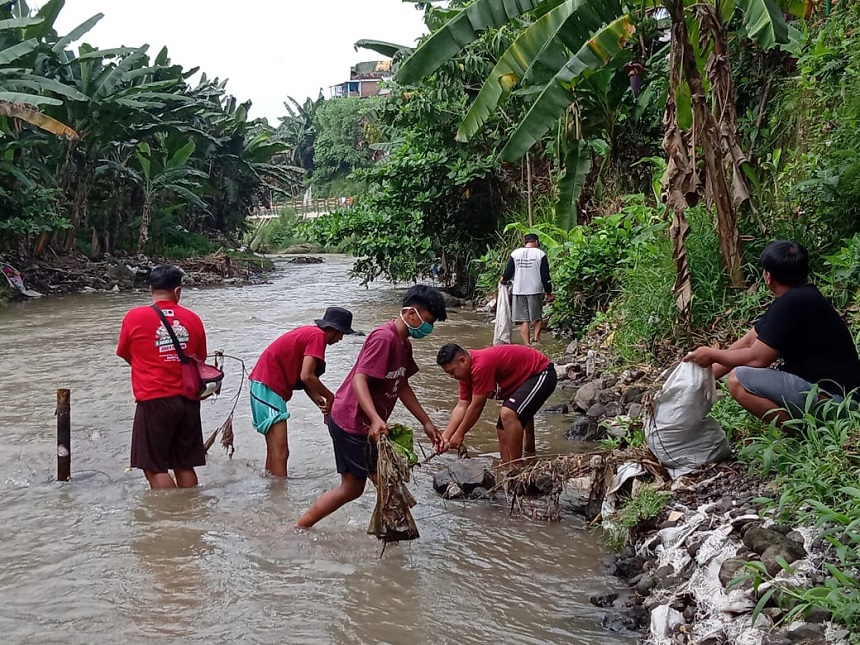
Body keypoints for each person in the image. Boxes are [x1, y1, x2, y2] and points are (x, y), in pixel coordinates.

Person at [296, 285, 448, 528]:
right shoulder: (384, 338)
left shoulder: (403, 344)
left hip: (357, 422)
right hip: (353, 424)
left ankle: (299, 527)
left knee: (352, 489)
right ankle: (394, 545)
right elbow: (360, 379)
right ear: (411, 314)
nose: (429, 329)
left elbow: (402, 384)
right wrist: (376, 418)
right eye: (428, 321)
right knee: (388, 484)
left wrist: (426, 422)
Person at [685, 240, 860, 426]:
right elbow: (747, 343)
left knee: (737, 380)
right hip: (833, 394)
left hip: (840, 402)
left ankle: (804, 435)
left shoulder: (792, 303)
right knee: (740, 374)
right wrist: (698, 380)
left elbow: (757, 359)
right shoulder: (799, 298)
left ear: (768, 276)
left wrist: (710, 354)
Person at [116, 265, 208, 489]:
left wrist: (149, 365)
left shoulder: (134, 317)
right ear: (178, 291)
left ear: (150, 289)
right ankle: (190, 511)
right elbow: (200, 359)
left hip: (154, 399)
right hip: (188, 400)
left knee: (155, 467)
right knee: (184, 464)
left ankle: (170, 517)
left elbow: (125, 353)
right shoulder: (193, 319)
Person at [248, 307, 355, 477]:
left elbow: (304, 380)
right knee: (282, 453)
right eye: (342, 334)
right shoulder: (317, 337)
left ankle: (272, 495)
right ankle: (280, 499)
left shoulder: (309, 333)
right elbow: (307, 376)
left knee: (274, 452)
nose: (341, 338)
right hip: (268, 387)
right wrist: (330, 397)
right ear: (334, 330)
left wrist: (322, 404)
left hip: (262, 387)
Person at [437, 343, 557, 463]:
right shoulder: (465, 375)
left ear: (462, 360)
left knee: (508, 414)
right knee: (503, 430)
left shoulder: (481, 366)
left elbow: (476, 407)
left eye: (452, 372)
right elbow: (461, 406)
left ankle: (517, 467)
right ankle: (506, 466)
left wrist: (459, 434)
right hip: (521, 381)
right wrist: (445, 438)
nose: (452, 376)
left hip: (541, 373)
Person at [501, 233, 554, 346]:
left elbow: (509, 272)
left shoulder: (515, 253)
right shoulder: (540, 254)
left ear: (525, 242)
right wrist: (549, 292)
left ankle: (527, 344)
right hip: (535, 289)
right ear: (536, 242)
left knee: (523, 319)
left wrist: (503, 280)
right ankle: (536, 340)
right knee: (537, 316)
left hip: (518, 290)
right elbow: (545, 276)